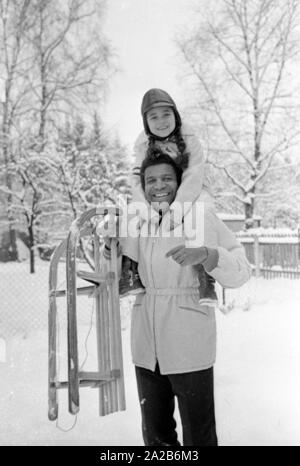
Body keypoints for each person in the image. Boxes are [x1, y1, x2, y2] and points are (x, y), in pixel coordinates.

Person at [104, 150, 251, 446]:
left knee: (199, 436)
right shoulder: (136, 224)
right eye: (151, 180)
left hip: (189, 341)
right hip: (147, 346)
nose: (159, 186)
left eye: (167, 178)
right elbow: (110, 278)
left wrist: (208, 255)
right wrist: (109, 252)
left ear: (180, 181)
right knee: (157, 437)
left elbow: (241, 271)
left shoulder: (201, 216)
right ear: (142, 186)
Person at [120, 88, 217, 305]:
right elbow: (137, 181)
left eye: (166, 114)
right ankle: (129, 271)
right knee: (132, 213)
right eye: (153, 117)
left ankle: (205, 277)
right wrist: (147, 209)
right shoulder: (143, 145)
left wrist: (176, 212)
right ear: (146, 122)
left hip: (190, 192)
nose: (161, 121)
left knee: (202, 212)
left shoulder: (190, 140)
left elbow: (193, 176)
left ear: (175, 116)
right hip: (158, 192)